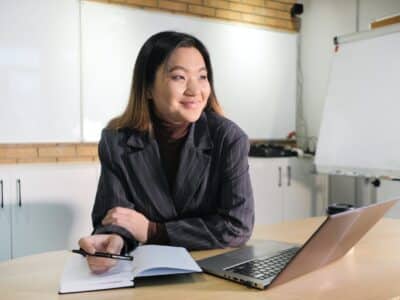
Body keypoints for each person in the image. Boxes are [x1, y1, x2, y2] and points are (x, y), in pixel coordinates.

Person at [78, 31, 254, 274]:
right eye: (179, 77)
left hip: (213, 271)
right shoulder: (116, 141)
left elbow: (237, 227)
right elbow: (115, 215)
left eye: (202, 77)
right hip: (150, 274)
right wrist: (114, 240)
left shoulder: (228, 138)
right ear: (148, 87)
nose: (194, 89)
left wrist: (153, 231)